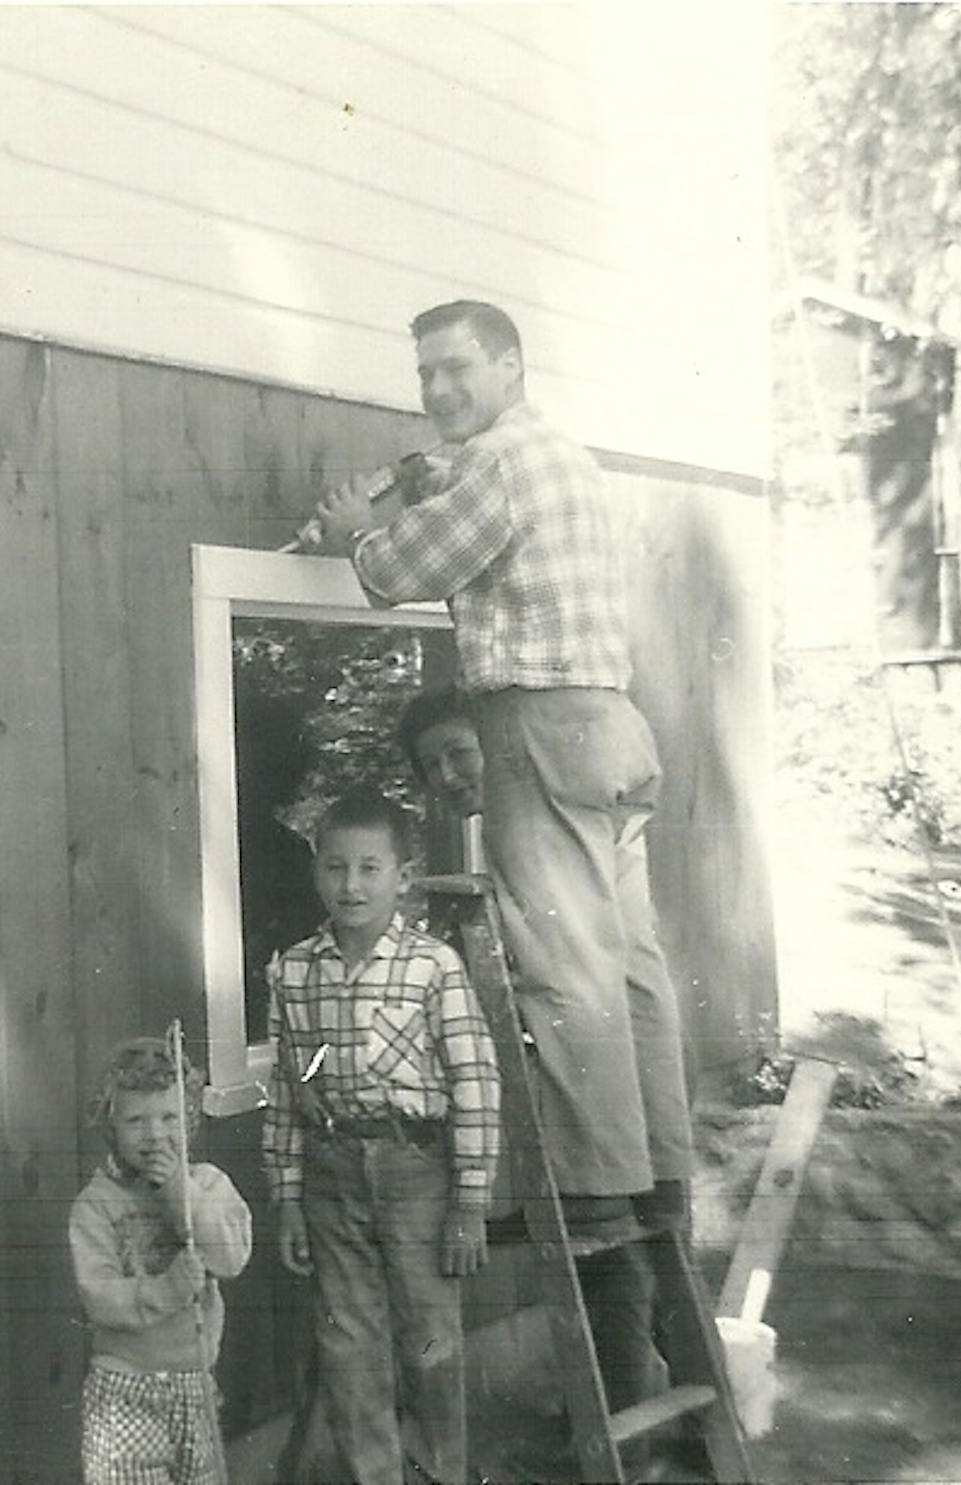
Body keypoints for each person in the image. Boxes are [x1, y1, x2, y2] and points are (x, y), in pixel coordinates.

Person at [312, 301, 698, 1461]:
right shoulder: (551, 454)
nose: (436, 389)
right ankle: (659, 1165)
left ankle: (591, 1190)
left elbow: (398, 570)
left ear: (511, 366)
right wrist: (418, 470)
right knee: (629, 962)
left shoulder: (500, 466)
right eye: (423, 371)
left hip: (539, 722)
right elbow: (447, 476)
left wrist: (348, 533)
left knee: (559, 960)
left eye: (456, 369)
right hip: (616, 729)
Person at [263, 788, 501, 1485]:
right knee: (349, 1343)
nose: (352, 884)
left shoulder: (433, 965)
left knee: (429, 1342)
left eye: (370, 867)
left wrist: (469, 1201)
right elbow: (286, 1087)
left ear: (403, 874)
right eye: (335, 867)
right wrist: (287, 1196)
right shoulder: (297, 970)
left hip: (416, 1171)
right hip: (332, 1174)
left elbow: (476, 1082)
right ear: (316, 872)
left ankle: (438, 1473)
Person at [69, 1035, 254, 1485]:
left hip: (196, 1383)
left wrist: (178, 1192)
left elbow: (230, 1257)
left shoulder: (207, 1185)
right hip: (126, 1389)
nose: (155, 1134)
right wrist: (165, 1290)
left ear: (189, 1119)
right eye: (136, 1120)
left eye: (169, 1117)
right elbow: (101, 1298)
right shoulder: (96, 1205)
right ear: (110, 1126)